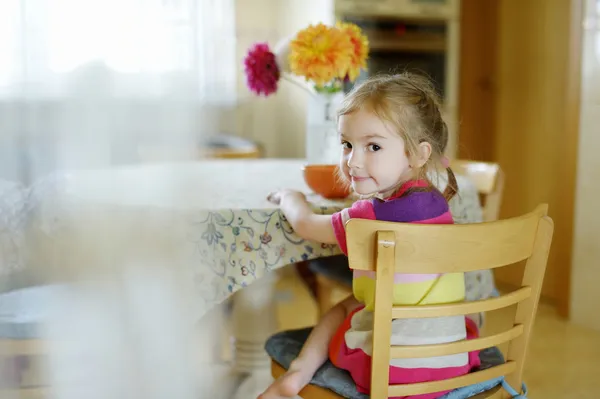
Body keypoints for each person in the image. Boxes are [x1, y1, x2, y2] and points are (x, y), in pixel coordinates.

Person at [259, 73, 480, 399]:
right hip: (449, 361)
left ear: (418, 155)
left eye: (373, 146)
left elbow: (304, 224)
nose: (353, 161)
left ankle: (294, 378)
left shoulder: (369, 215)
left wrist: (291, 197)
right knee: (365, 304)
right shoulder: (438, 202)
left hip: (393, 369)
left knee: (342, 309)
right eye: (347, 144)